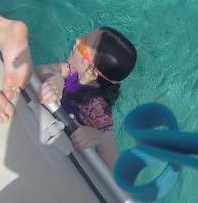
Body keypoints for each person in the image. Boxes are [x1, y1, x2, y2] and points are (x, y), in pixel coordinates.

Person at [37, 26, 138, 167]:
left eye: (83, 44)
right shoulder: (71, 69)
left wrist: (97, 136)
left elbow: (114, 166)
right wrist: (56, 78)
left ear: (92, 73)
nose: (77, 40)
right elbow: (40, 70)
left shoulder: (97, 109)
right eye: (84, 37)